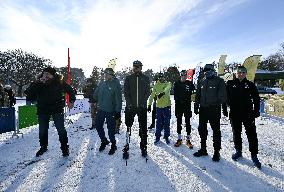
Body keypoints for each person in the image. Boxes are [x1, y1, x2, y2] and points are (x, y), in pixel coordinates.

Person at [24, 67, 76, 157]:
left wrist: (71, 101)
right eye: (44, 73)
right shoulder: (38, 82)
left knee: (61, 130)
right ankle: (43, 147)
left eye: (48, 74)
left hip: (57, 109)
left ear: (53, 75)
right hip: (43, 110)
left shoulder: (59, 82)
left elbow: (70, 90)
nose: (46, 76)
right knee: (42, 130)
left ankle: (65, 148)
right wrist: (37, 83)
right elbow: (28, 93)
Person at [226, 66, 261, 168]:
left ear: (246, 73)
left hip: (248, 114)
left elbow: (256, 98)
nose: (240, 74)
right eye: (239, 72)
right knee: (236, 133)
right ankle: (238, 151)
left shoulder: (250, 84)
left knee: (252, 135)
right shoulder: (230, 84)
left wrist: (256, 111)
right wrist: (226, 107)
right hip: (234, 114)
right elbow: (225, 97)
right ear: (235, 73)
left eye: (243, 72)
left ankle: (254, 155)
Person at [193, 64, 227, 162]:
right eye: (205, 72)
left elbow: (223, 96)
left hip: (214, 110)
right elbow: (198, 95)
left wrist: (220, 107)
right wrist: (196, 106)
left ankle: (216, 151)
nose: (207, 73)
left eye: (209, 72)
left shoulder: (219, 81)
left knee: (216, 130)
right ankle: (203, 149)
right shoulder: (202, 81)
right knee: (202, 129)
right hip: (203, 109)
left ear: (213, 71)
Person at [124, 60, 150, 157]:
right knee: (128, 127)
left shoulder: (145, 78)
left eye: (138, 66)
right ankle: (126, 147)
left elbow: (148, 92)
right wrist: (129, 103)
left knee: (143, 128)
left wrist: (143, 103)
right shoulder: (128, 78)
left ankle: (143, 147)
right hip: (131, 107)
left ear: (141, 67)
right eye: (135, 66)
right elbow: (126, 92)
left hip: (142, 108)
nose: (136, 68)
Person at [93, 68, 122, 155]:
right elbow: (96, 93)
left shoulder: (115, 84)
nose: (105, 75)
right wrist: (94, 98)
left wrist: (118, 111)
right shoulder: (102, 83)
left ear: (111, 75)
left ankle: (113, 144)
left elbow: (119, 99)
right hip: (101, 109)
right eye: (104, 74)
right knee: (98, 126)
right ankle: (104, 141)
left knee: (111, 130)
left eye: (107, 74)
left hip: (111, 111)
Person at [173, 70, 195, 148]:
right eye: (182, 75)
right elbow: (175, 95)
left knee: (188, 122)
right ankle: (179, 139)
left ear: (186, 76)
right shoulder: (176, 83)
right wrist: (180, 100)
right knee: (179, 122)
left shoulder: (189, 83)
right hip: (179, 106)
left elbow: (193, 92)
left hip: (187, 106)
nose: (184, 77)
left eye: (185, 75)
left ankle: (188, 140)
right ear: (180, 76)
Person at [148, 72, 172, 144]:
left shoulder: (168, 83)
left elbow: (167, 88)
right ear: (158, 78)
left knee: (167, 123)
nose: (161, 78)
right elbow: (152, 96)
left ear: (164, 77)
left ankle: (166, 136)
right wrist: (149, 105)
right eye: (160, 77)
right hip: (159, 107)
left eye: (162, 77)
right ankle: (157, 137)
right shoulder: (155, 86)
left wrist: (163, 93)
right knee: (158, 123)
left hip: (167, 106)